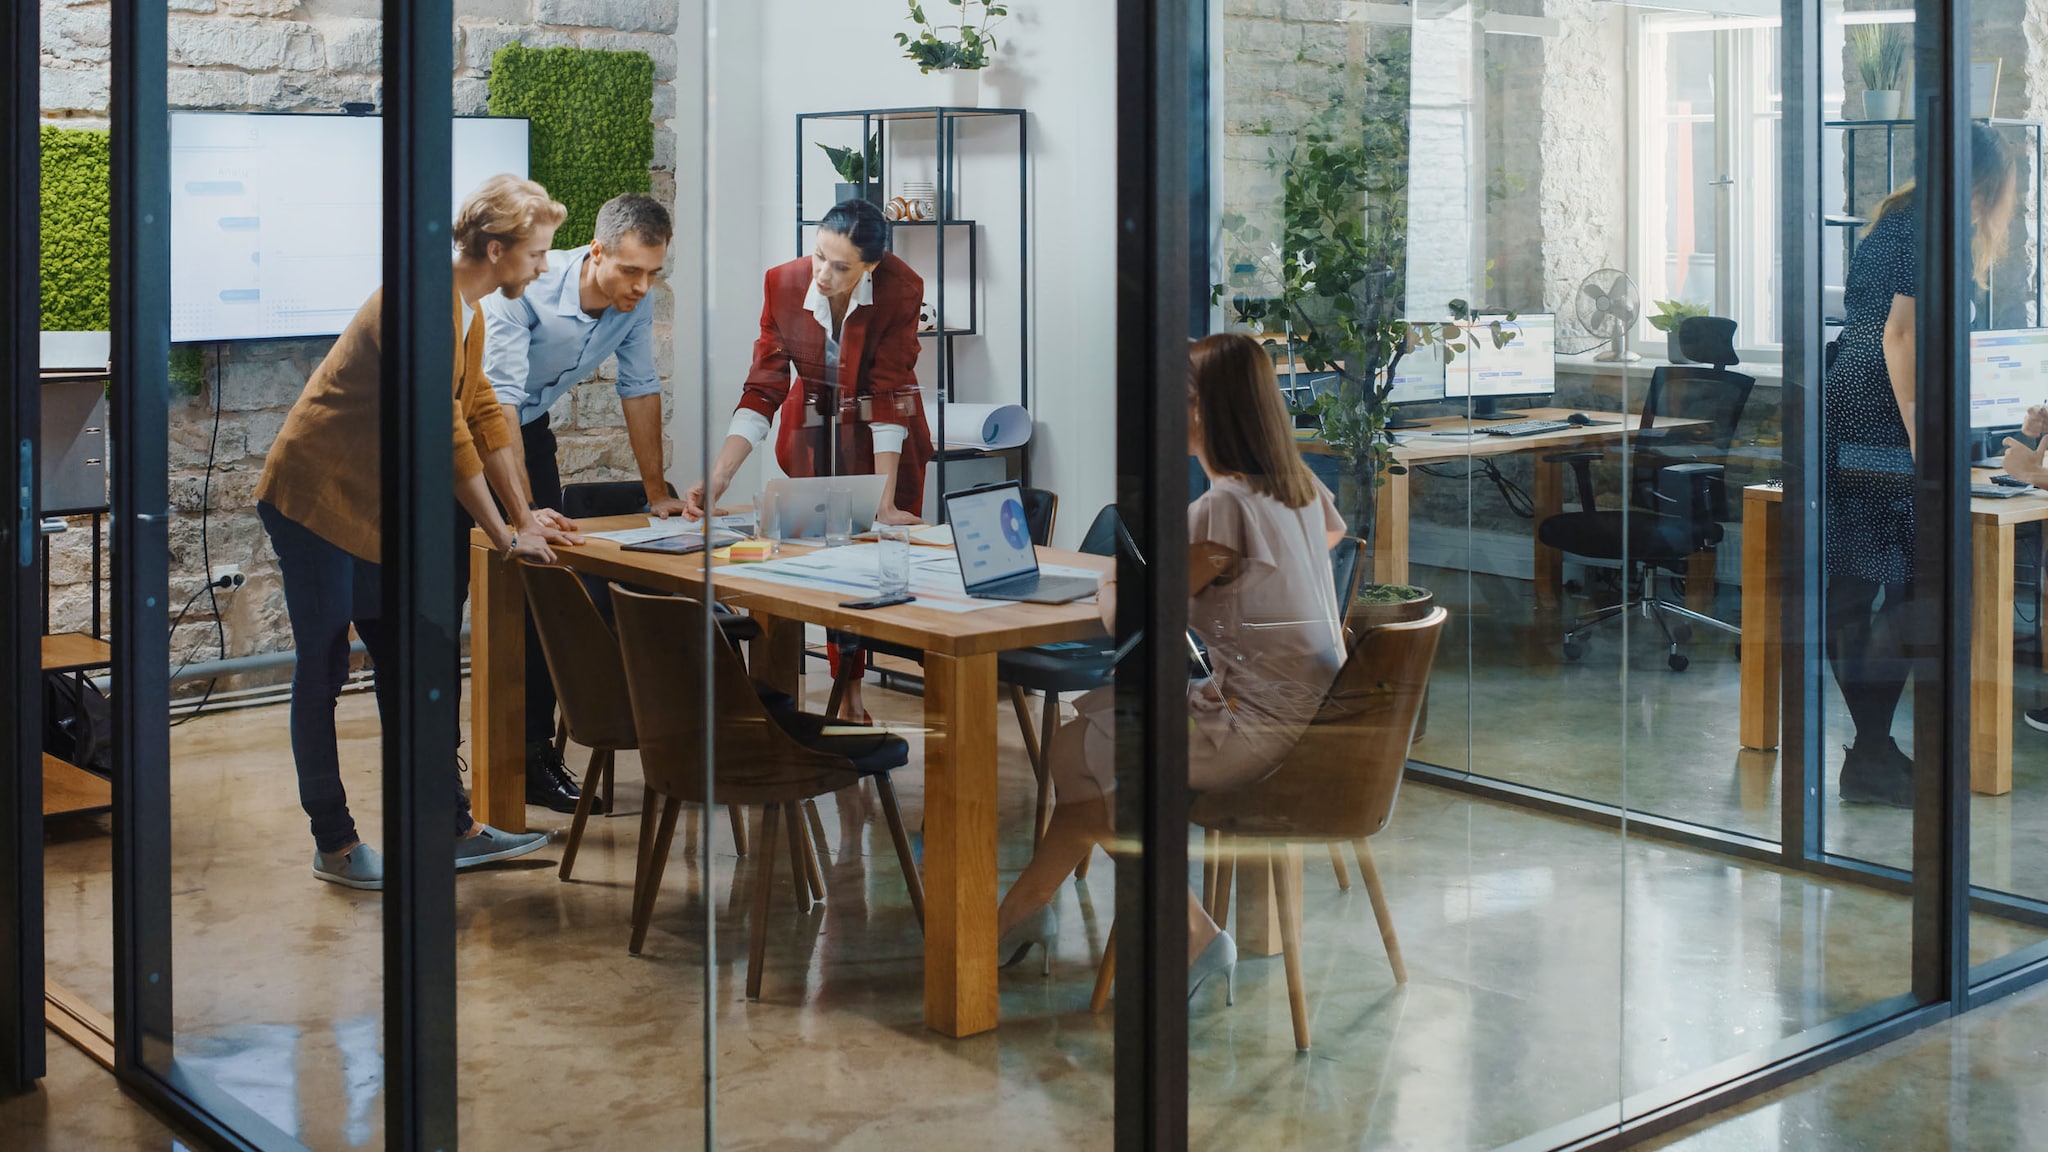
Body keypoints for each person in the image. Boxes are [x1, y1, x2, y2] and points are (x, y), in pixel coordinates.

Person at [991, 332, 1347, 998]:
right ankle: (1023, 913)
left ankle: (1183, 936)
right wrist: (1247, 594)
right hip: (1314, 717)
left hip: (1257, 729)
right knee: (1088, 751)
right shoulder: (1297, 490)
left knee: (1083, 751)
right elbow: (1331, 538)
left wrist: (1109, 586)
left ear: (1201, 411)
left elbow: (1132, 619)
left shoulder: (1223, 507)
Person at [256, 175, 568, 889]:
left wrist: (523, 516)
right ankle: (333, 844)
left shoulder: (468, 308)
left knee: (411, 665)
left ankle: (446, 828)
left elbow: (485, 410)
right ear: (496, 249)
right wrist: (500, 532)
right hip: (315, 500)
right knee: (325, 668)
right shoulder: (419, 304)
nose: (543, 267)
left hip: (373, 511)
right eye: (537, 254)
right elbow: (445, 434)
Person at [1824, 122, 2019, 808]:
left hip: (1851, 395)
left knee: (1857, 581)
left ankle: (1871, 752)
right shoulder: (1926, 234)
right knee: (1912, 584)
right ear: (1983, 185)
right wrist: (1920, 437)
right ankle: (1871, 754)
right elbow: (1900, 335)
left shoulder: (1894, 223)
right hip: (1882, 404)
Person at [682, 197, 934, 721]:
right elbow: (763, 388)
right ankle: (844, 688)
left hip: (884, 443)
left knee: (873, 561)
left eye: (840, 266)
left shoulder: (902, 288)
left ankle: (851, 687)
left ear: (872, 266)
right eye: (818, 255)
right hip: (816, 435)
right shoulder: (783, 283)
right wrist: (720, 475)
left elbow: (888, 395)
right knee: (821, 564)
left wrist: (882, 500)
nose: (822, 273)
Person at [480, 193, 675, 812]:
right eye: (631, 271)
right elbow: (498, 401)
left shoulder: (632, 304)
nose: (642, 287)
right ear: (596, 253)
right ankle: (443, 760)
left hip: (527, 430)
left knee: (544, 585)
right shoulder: (523, 292)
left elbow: (640, 388)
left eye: (654, 273)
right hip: (464, 429)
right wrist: (520, 514)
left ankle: (535, 756)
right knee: (460, 594)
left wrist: (657, 494)